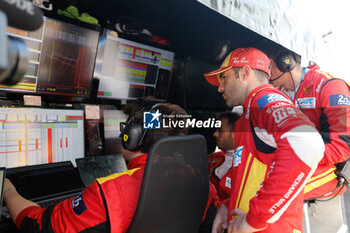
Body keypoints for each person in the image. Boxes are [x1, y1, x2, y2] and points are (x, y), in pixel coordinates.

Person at [3, 100, 218, 233]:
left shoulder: (110, 191)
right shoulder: (201, 182)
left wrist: (8, 191)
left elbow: (40, 226)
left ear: (132, 137)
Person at [203, 47, 324, 233]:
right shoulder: (250, 112)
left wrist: (255, 220)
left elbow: (307, 143)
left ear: (244, 73)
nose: (220, 87)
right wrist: (228, 203)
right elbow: (256, 173)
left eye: (224, 78)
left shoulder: (265, 100)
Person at [264, 45, 350, 200]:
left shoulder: (330, 86)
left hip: (333, 165)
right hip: (298, 158)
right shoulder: (275, 94)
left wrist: (297, 158)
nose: (264, 72)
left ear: (286, 62)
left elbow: (342, 146)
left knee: (274, 191)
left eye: (266, 66)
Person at [209, 112, 240, 201]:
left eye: (221, 131)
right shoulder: (213, 158)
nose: (215, 134)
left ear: (235, 134)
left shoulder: (249, 166)